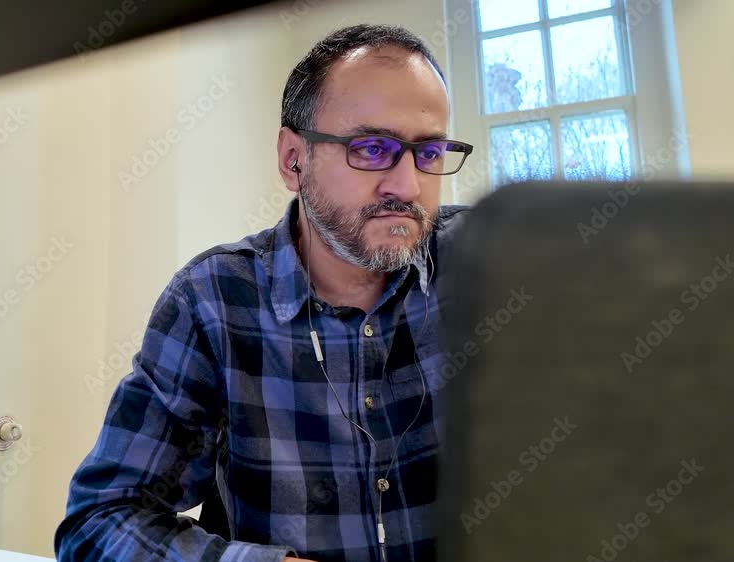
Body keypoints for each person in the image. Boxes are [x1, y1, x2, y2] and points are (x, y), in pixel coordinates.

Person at [54, 23, 476, 562]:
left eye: (430, 152)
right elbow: (98, 523)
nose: (408, 186)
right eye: (372, 149)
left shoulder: (488, 266)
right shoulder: (212, 301)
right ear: (293, 159)